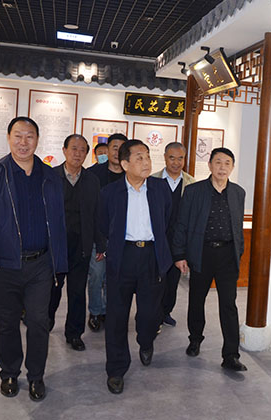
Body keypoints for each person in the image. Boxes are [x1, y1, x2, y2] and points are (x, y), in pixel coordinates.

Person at [0, 116, 68, 401]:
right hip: (5, 264)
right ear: (8, 138)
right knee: (7, 322)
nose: (23, 142)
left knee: (39, 321)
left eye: (29, 136)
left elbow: (59, 222)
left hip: (41, 264)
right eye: (18, 136)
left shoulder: (50, 176)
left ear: (37, 140)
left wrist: (59, 263)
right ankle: (9, 372)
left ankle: (36, 376)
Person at [100, 139, 172, 394]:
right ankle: (116, 369)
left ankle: (146, 340)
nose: (146, 162)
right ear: (125, 164)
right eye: (139, 158)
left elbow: (167, 220)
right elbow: (103, 225)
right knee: (117, 317)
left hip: (151, 256)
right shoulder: (110, 192)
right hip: (123, 257)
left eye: (148, 156)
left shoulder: (160, 189)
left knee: (150, 315)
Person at [173, 147, 247, 372]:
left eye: (227, 163)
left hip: (227, 256)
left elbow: (237, 226)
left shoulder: (238, 192)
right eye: (218, 162)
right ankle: (195, 339)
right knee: (197, 299)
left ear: (232, 167)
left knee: (229, 304)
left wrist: (239, 251)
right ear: (210, 165)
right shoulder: (194, 191)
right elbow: (181, 224)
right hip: (201, 253)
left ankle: (231, 355)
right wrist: (180, 254)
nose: (222, 167)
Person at [48, 134, 105, 351]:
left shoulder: (92, 180)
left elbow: (97, 214)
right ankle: (46, 322)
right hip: (55, 246)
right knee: (52, 289)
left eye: (82, 150)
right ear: (64, 150)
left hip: (81, 245)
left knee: (77, 292)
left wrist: (100, 244)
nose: (78, 154)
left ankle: (74, 333)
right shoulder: (50, 177)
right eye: (74, 148)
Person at [86, 133, 128, 332]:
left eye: (122, 148)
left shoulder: (131, 175)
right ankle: (95, 311)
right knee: (96, 275)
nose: (117, 152)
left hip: (122, 238)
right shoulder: (93, 174)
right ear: (107, 149)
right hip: (98, 234)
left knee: (116, 278)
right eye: (114, 147)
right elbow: (90, 209)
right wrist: (98, 239)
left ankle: (110, 311)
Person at [151, 142, 195, 327]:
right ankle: (153, 315)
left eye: (180, 158)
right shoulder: (152, 180)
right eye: (172, 158)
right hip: (156, 241)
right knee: (155, 280)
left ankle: (165, 312)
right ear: (164, 158)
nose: (176, 163)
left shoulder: (192, 183)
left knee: (172, 281)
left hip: (179, 242)